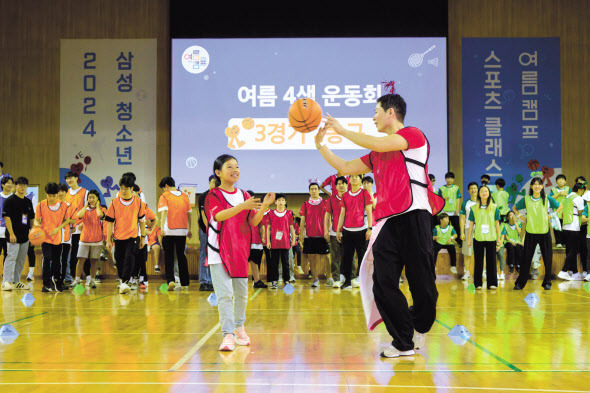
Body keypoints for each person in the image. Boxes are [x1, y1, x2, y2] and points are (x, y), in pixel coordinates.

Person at [317, 92, 444, 358]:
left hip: (414, 216)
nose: (373, 116)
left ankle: (418, 325)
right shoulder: (377, 154)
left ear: (390, 113)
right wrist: (322, 146)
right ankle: (403, 341)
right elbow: (345, 166)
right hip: (386, 223)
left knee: (423, 284)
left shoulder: (413, 135)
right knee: (383, 282)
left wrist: (340, 129)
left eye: (376, 111)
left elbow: (380, 143)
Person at [204, 154, 275, 351]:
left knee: (242, 294)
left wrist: (265, 206)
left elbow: (253, 221)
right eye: (229, 167)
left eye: (237, 166)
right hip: (218, 251)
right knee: (225, 295)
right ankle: (227, 334)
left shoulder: (244, 195)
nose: (235, 170)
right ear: (218, 173)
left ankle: (239, 328)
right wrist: (242, 206)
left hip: (239, 251)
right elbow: (219, 216)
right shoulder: (213, 195)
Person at [512, 177, 563, 290]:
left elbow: (560, 206)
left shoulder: (547, 198)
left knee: (547, 259)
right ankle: (520, 283)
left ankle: (547, 282)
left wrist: (552, 215)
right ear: (531, 187)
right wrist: (520, 216)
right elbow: (514, 208)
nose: (537, 186)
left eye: (539, 184)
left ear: (541, 187)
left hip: (544, 232)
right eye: (534, 184)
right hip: (530, 232)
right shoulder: (526, 199)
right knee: (526, 259)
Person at [105, 176, 146, 294]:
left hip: (133, 237)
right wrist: (108, 240)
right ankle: (123, 281)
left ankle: (125, 282)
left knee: (130, 257)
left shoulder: (138, 202)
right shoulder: (114, 202)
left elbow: (142, 221)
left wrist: (142, 237)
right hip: (118, 237)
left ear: (132, 189)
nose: (123, 191)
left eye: (126, 188)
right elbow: (110, 223)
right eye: (121, 188)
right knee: (119, 259)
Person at [337, 174, 373, 289]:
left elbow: (369, 211)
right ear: (349, 180)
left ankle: (362, 280)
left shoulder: (364, 193)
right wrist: (339, 229)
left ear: (360, 180)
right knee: (346, 257)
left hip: (361, 230)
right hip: (347, 230)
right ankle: (347, 281)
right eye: (351, 176)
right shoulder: (345, 195)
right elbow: (342, 213)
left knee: (362, 257)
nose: (354, 178)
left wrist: (370, 228)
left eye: (356, 177)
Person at [34, 182, 72, 292]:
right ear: (46, 194)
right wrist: (37, 224)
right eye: (49, 195)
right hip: (45, 237)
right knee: (46, 259)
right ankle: (46, 284)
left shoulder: (64, 206)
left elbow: (66, 221)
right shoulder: (40, 205)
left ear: (57, 194)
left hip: (57, 237)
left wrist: (58, 228)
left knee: (57, 261)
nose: (51, 198)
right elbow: (37, 218)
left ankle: (58, 282)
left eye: (53, 195)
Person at [158, 176, 192, 290]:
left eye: (163, 188)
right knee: (181, 256)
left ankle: (170, 280)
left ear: (166, 186)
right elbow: (189, 214)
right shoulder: (184, 196)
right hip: (182, 231)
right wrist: (189, 229)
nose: (163, 190)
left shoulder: (164, 196)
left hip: (169, 230)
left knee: (169, 257)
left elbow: (164, 212)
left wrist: (162, 227)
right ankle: (185, 282)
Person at [1, 177, 35, 291]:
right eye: (20, 185)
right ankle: (6, 281)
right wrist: (11, 234)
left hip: (25, 236)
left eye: (25, 185)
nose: (23, 187)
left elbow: (31, 219)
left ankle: (16, 281)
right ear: (16, 186)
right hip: (13, 236)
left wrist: (33, 234)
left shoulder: (28, 201)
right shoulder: (10, 200)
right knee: (11, 257)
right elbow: (7, 218)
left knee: (21, 259)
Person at [467, 185, 501, 290]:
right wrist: (468, 238)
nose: (484, 193)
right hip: (478, 238)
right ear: (479, 194)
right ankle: (478, 284)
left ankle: (492, 283)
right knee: (478, 261)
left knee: (492, 262)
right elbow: (471, 225)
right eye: (482, 191)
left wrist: (499, 239)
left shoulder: (495, 207)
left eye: (486, 191)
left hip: (491, 238)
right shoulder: (473, 208)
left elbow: (497, 224)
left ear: (489, 193)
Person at [68, 189, 104, 289]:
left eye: (93, 197)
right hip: (84, 239)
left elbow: (100, 215)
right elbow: (78, 215)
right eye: (89, 197)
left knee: (94, 260)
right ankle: (77, 280)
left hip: (97, 239)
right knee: (80, 259)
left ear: (97, 199)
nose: (91, 199)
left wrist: (97, 206)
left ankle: (92, 281)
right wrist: (85, 205)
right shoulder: (85, 210)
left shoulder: (101, 209)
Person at [299, 182, 330, 288]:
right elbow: (302, 220)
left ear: (319, 190)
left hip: (323, 235)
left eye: (315, 189)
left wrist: (327, 231)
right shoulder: (305, 204)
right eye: (311, 189)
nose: (313, 191)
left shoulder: (325, 202)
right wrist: (301, 233)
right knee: (312, 258)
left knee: (327, 258)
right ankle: (315, 279)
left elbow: (328, 218)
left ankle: (329, 278)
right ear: (309, 191)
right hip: (310, 236)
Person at [266, 193, 296, 289]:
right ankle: (274, 281)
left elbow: (291, 227)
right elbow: (268, 228)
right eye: (279, 200)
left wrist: (294, 239)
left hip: (285, 242)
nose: (281, 202)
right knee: (274, 263)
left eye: (283, 200)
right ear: (275, 202)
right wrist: (268, 241)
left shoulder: (289, 213)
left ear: (285, 202)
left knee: (286, 263)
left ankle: (286, 281)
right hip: (274, 243)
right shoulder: (270, 213)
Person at [557, 183, 586, 281]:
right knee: (574, 249)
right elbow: (582, 212)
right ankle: (564, 271)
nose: (583, 193)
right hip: (573, 225)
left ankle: (575, 272)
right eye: (583, 191)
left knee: (570, 250)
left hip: (565, 226)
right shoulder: (578, 198)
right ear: (580, 190)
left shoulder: (567, 197)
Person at [64, 171, 89, 282]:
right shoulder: (65, 193)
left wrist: (83, 223)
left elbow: (89, 209)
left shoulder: (85, 192)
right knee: (72, 254)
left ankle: (88, 277)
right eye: (67, 178)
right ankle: (74, 277)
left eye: (71, 178)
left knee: (84, 253)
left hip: (81, 228)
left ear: (76, 178)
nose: (69, 180)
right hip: (69, 229)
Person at [324, 176, 347, 288]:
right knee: (335, 257)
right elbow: (327, 215)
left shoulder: (350, 197)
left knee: (349, 257)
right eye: (339, 184)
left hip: (349, 231)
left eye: (343, 183)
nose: (341, 186)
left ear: (347, 185)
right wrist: (326, 230)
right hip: (334, 233)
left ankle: (347, 279)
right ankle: (336, 279)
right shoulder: (331, 199)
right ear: (336, 186)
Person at [197, 175, 217, 291]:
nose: (215, 184)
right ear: (209, 183)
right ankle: (204, 281)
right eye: (213, 182)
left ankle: (213, 281)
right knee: (204, 254)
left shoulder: (219, 195)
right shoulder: (204, 196)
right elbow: (203, 215)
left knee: (214, 256)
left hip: (217, 231)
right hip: (205, 230)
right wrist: (209, 229)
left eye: (217, 182)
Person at [246, 190, 267, 289]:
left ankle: (257, 280)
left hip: (255, 241)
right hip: (244, 242)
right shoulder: (240, 211)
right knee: (242, 263)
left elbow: (262, 226)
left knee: (255, 262)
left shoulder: (257, 211)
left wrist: (262, 237)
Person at [459, 182, 479, 279]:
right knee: (467, 253)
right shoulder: (465, 203)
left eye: (475, 188)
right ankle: (466, 272)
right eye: (471, 188)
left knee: (482, 253)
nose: (473, 190)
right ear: (468, 191)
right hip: (468, 230)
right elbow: (462, 218)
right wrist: (462, 232)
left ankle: (483, 271)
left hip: (481, 231)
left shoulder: (483, 202)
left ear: (477, 189)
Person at [439, 172, 462, 247]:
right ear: (445, 179)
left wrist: (457, 209)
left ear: (453, 179)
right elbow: (438, 200)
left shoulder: (456, 188)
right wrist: (443, 199)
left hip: (454, 212)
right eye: (448, 178)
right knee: (445, 228)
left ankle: (459, 243)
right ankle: (444, 242)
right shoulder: (441, 188)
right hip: (445, 212)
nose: (449, 180)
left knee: (456, 228)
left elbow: (458, 199)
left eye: (451, 178)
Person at [549, 174, 570, 248]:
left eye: (562, 180)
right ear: (556, 181)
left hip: (566, 211)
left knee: (565, 227)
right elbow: (550, 198)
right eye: (559, 180)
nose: (560, 181)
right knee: (557, 227)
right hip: (556, 210)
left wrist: (566, 194)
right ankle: (558, 242)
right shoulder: (553, 189)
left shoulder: (568, 189)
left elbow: (571, 198)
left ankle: (565, 242)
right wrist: (558, 194)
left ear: (565, 181)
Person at [501, 211, 524, 275]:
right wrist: (512, 242)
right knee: (511, 247)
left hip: (517, 241)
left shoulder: (518, 223)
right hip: (509, 241)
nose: (512, 216)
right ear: (508, 218)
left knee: (518, 248)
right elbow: (506, 236)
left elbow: (519, 231)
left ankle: (518, 265)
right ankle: (511, 265)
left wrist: (515, 222)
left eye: (513, 215)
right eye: (511, 215)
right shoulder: (505, 225)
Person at [0, 176, 14, 270]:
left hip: (10, 231)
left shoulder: (14, 198)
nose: (10, 184)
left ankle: (6, 276)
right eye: (7, 183)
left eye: (11, 183)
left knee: (8, 254)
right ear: (2, 185)